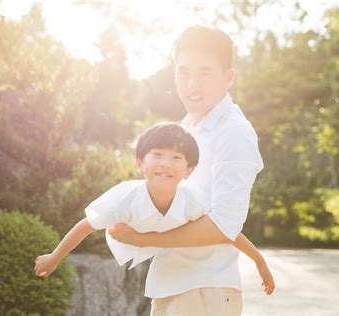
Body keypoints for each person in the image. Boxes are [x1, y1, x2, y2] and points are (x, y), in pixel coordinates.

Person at [108, 26, 272, 315]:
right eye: (183, 73)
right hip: (172, 285)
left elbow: (225, 224)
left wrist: (144, 240)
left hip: (204, 290)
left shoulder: (234, 132)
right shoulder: (184, 130)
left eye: (205, 73)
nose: (192, 86)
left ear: (228, 77)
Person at [34, 122, 274, 315]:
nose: (166, 163)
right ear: (140, 163)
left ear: (189, 170)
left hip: (203, 281)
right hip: (167, 281)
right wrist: (55, 257)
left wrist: (259, 260)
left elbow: (226, 230)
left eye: (177, 158)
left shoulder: (192, 200)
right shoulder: (124, 197)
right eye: (157, 154)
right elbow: (86, 226)